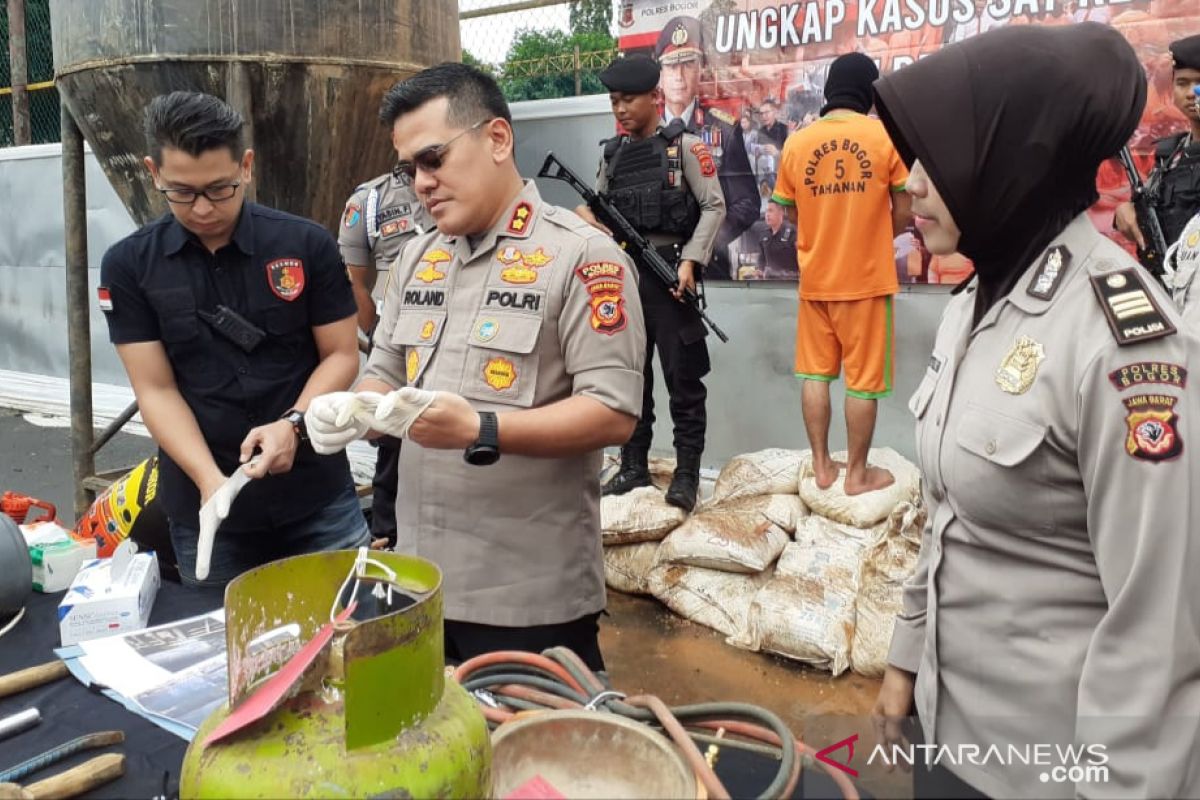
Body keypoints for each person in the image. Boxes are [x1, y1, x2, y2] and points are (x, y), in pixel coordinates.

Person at [871, 23, 1200, 799]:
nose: (913, 182)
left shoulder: (1124, 345)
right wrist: (901, 667)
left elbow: (1159, 629)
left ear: (1011, 157)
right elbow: (945, 514)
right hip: (943, 738)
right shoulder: (976, 300)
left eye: (938, 155)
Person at [304, 64, 646, 671]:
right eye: (410, 169)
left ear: (496, 139)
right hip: (418, 581)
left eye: (434, 158)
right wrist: (356, 408)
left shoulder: (580, 257)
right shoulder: (416, 257)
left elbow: (613, 412)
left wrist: (482, 429)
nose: (422, 183)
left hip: (525, 598)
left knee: (527, 760)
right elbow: (385, 361)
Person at [98, 91, 367, 587]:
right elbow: (155, 389)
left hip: (316, 494)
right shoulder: (129, 266)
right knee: (223, 649)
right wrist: (210, 483)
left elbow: (341, 354)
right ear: (153, 173)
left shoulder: (304, 244)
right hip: (206, 509)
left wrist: (294, 424)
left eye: (220, 189)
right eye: (182, 191)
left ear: (246, 167)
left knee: (351, 630)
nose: (202, 208)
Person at [584, 55, 725, 512]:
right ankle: (633, 465)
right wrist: (593, 226)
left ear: (654, 98)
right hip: (625, 277)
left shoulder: (683, 146)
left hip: (670, 276)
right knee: (631, 378)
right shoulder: (612, 154)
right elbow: (596, 207)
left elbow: (714, 206)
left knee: (683, 379)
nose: (620, 109)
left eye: (628, 100)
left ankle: (686, 475)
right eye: (613, 101)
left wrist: (690, 261)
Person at [772, 53, 912, 495]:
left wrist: (821, 227)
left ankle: (822, 467)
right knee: (863, 383)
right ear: (869, 93)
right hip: (867, 282)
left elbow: (786, 211)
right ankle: (856, 474)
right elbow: (905, 211)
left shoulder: (797, 143)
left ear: (830, 91)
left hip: (816, 282)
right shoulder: (884, 137)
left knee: (815, 374)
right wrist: (871, 234)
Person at [338, 170, 432, 546]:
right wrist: (379, 335)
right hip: (398, 336)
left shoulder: (463, 183)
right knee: (392, 436)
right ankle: (386, 534)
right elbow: (354, 280)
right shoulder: (370, 201)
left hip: (458, 331)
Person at [656, 15, 759, 279]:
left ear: (700, 69)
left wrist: (706, 243)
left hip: (709, 267)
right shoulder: (648, 133)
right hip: (656, 264)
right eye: (671, 66)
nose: (679, 76)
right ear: (660, 75)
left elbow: (747, 203)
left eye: (688, 64)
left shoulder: (723, 129)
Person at [1114, 34, 1200, 254]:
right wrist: (1127, 211)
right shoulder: (1170, 156)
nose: (1192, 93)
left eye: (1199, 83)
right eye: (1182, 83)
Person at [752, 199, 798, 281]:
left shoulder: (792, 233)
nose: (767, 215)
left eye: (771, 211)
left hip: (790, 281)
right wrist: (759, 270)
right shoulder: (764, 235)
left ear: (781, 213)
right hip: (769, 283)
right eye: (766, 211)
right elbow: (761, 258)